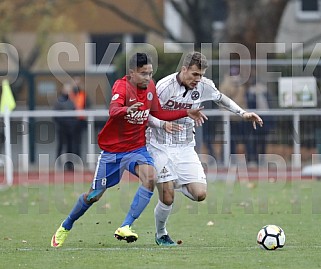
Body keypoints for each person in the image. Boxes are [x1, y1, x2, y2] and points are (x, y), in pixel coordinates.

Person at [50, 52, 207, 248]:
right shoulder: (121, 86)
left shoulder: (150, 87)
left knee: (150, 177)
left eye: (150, 73)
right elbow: (113, 110)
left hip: (137, 149)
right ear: (132, 73)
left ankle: (125, 226)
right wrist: (127, 110)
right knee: (93, 196)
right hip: (113, 152)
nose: (148, 78)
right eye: (144, 74)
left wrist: (186, 112)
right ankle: (67, 224)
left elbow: (159, 113)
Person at [146, 51, 263, 246]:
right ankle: (161, 234)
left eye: (201, 75)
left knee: (200, 194)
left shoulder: (203, 86)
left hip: (185, 147)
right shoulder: (164, 87)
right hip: (160, 145)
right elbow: (148, 114)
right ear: (184, 69)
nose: (197, 79)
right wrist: (162, 125)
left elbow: (221, 98)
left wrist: (242, 113)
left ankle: (172, 181)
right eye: (194, 74)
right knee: (167, 196)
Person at [219, 66, 247, 163]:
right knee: (228, 139)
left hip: (238, 117)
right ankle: (224, 159)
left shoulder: (240, 85)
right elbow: (223, 100)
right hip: (228, 117)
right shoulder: (225, 84)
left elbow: (242, 100)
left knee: (236, 139)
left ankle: (232, 159)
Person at [246, 72, 270, 165]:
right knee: (254, 140)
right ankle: (254, 159)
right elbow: (250, 105)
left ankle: (262, 159)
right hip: (254, 119)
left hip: (265, 119)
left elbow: (269, 105)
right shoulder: (250, 92)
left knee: (263, 140)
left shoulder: (264, 92)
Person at [53, 83, 78, 171]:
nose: (68, 91)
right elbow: (56, 116)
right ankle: (58, 163)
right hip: (62, 128)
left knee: (70, 147)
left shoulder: (71, 101)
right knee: (60, 145)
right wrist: (62, 124)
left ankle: (69, 165)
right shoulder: (59, 101)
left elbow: (74, 113)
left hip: (70, 128)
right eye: (66, 89)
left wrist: (73, 124)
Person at [69, 76, 91, 160]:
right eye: (75, 82)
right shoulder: (69, 94)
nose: (77, 84)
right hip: (69, 121)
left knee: (78, 141)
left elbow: (87, 105)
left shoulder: (83, 94)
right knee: (68, 142)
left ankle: (77, 158)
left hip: (79, 120)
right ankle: (69, 160)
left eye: (78, 82)